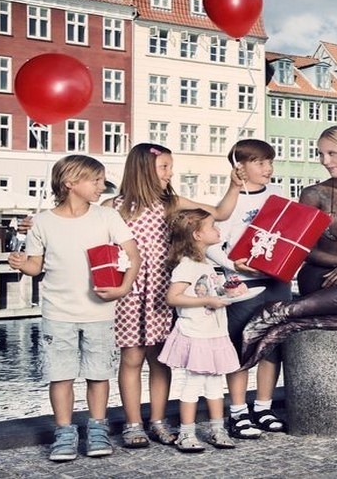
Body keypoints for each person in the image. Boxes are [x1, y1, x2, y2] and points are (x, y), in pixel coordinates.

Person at [103, 142, 238, 448]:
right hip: (130, 290)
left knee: (159, 360)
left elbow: (218, 213)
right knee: (131, 357)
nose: (170, 172)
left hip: (163, 289)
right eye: (164, 167)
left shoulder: (170, 203)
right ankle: (132, 423)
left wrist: (233, 186)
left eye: (169, 167)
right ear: (143, 169)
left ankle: (158, 421)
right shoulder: (113, 208)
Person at [7, 155, 141, 461]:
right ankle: (65, 433)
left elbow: (133, 256)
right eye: (95, 180)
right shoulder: (42, 221)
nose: (101, 186)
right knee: (61, 375)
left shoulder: (107, 217)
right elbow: (35, 267)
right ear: (70, 183)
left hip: (100, 312)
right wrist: (20, 263)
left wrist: (124, 287)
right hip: (58, 313)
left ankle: (97, 430)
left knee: (98, 374)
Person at [240, 125, 337, 369]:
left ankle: (290, 319)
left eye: (332, 153)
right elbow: (303, 249)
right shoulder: (314, 193)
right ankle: (280, 312)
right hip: (321, 278)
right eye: (321, 154)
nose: (325, 161)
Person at [206, 139, 292, 438]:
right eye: (260, 162)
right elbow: (211, 242)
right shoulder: (231, 201)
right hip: (244, 284)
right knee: (241, 348)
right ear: (239, 167)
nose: (268, 168)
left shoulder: (279, 194)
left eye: (270, 162)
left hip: (278, 281)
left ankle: (264, 407)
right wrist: (232, 264)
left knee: (271, 347)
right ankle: (239, 411)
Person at [158, 209, 241, 453]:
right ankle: (186, 433)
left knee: (216, 384)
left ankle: (218, 429)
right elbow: (173, 297)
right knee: (192, 384)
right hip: (196, 334)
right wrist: (209, 302)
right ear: (197, 235)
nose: (218, 231)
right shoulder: (187, 265)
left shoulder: (206, 263)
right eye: (213, 226)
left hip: (214, 333)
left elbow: (207, 292)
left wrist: (227, 294)